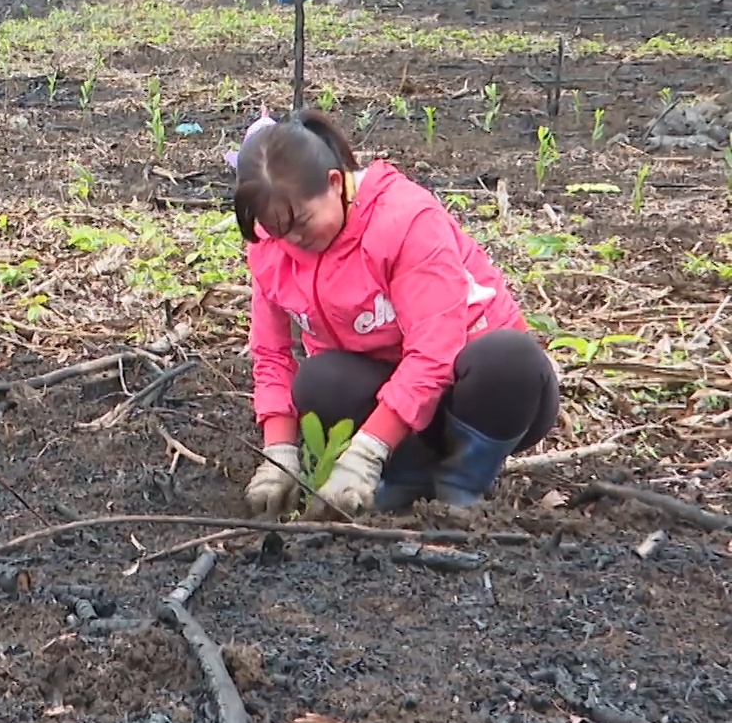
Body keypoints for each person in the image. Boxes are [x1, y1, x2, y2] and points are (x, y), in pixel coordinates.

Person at [233, 110, 559, 518]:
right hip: (392, 397)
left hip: (478, 395)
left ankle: (463, 485)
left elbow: (434, 353)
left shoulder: (403, 221)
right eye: (277, 230)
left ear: (335, 183)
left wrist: (364, 454)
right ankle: (409, 478)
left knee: (509, 357)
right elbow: (271, 354)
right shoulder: (273, 244)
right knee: (319, 381)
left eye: (301, 222)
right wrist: (278, 453)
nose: (292, 240)